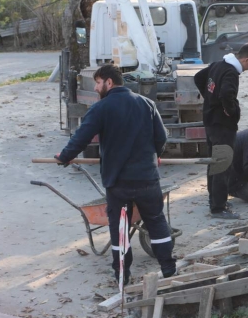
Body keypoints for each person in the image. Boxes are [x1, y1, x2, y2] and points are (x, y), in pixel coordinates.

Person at [54, 64, 175, 283]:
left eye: (98, 83)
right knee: (156, 222)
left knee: (120, 229)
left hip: (119, 182)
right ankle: (168, 269)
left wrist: (64, 156)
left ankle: (122, 276)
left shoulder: (101, 108)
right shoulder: (146, 103)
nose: (95, 88)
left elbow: (82, 136)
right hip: (147, 178)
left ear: (109, 82)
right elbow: (162, 137)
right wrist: (156, 154)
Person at [194, 43, 248, 220]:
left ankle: (215, 200)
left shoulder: (217, 64)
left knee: (214, 162)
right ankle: (218, 208)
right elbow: (226, 94)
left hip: (210, 122)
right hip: (223, 125)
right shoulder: (231, 72)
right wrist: (230, 111)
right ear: (246, 59)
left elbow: (199, 78)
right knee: (223, 164)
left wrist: (209, 98)